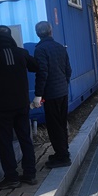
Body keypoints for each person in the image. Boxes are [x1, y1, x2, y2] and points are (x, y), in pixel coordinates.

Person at [0, 25, 39, 189]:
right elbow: (35, 66)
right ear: (10, 37)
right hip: (21, 104)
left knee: (5, 141)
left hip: (2, 106)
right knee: (25, 138)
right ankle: (30, 174)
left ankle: (12, 178)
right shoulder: (21, 53)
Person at [32, 21, 73, 168]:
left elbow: (42, 73)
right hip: (62, 91)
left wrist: (38, 95)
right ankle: (63, 152)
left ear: (38, 34)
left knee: (54, 126)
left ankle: (62, 157)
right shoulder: (60, 47)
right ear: (51, 32)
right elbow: (68, 70)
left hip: (51, 94)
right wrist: (64, 84)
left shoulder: (40, 50)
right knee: (61, 123)